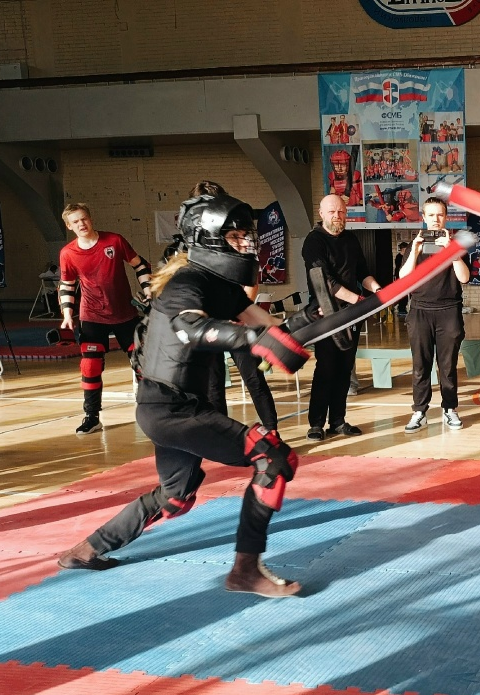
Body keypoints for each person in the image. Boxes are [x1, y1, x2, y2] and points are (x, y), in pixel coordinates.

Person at [56, 193, 311, 598]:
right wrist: (255, 340)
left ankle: (85, 550)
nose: (246, 243)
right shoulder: (186, 282)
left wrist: (310, 323)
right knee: (274, 457)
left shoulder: (222, 287)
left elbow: (267, 325)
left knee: (176, 497)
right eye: (236, 235)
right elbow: (190, 328)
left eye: (246, 235)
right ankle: (245, 572)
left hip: (172, 408)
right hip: (171, 409)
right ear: (209, 238)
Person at [179, 181, 282, 435]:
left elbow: (250, 283)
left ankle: (272, 431)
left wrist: (240, 314)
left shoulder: (236, 240)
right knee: (213, 384)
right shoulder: (189, 250)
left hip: (237, 319)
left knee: (254, 378)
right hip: (208, 324)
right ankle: (221, 436)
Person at [58, 203, 153, 435]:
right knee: (90, 365)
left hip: (125, 313)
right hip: (92, 315)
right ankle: (92, 416)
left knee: (143, 362)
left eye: (84, 219)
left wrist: (149, 291)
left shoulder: (114, 241)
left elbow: (140, 264)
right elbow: (67, 284)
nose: (81, 224)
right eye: (75, 221)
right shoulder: (68, 253)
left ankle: (151, 410)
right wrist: (67, 314)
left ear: (90, 219)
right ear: (69, 226)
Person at [301, 194, 383, 441]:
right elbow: (326, 282)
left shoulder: (351, 239)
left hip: (350, 315)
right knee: (326, 368)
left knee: (345, 368)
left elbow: (363, 273)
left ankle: (337, 421)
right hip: (325, 314)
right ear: (321, 213)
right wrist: (358, 301)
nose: (337, 216)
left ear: (346, 214)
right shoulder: (313, 241)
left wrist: (379, 290)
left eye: (341, 212)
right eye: (332, 212)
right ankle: (316, 424)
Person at [400, 197, 470, 432]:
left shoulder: (456, 246)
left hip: (448, 311)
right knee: (420, 365)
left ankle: (450, 408)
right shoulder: (415, 246)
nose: (436, 219)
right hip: (420, 311)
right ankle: (419, 411)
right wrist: (415, 250)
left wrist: (452, 253)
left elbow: (464, 278)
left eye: (440, 214)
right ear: (423, 217)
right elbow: (403, 279)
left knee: (447, 366)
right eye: (431, 215)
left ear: (446, 217)